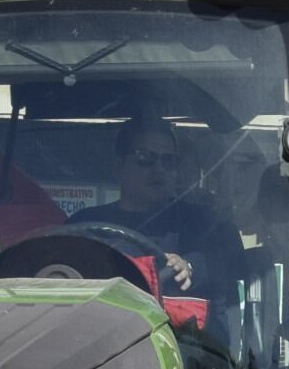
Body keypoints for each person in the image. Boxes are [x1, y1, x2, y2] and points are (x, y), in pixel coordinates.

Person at [74, 117, 238, 312]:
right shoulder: (82, 226)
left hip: (179, 340)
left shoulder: (200, 222)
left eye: (168, 161)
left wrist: (189, 266)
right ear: (118, 168)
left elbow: (217, 266)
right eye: (145, 158)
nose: (159, 168)